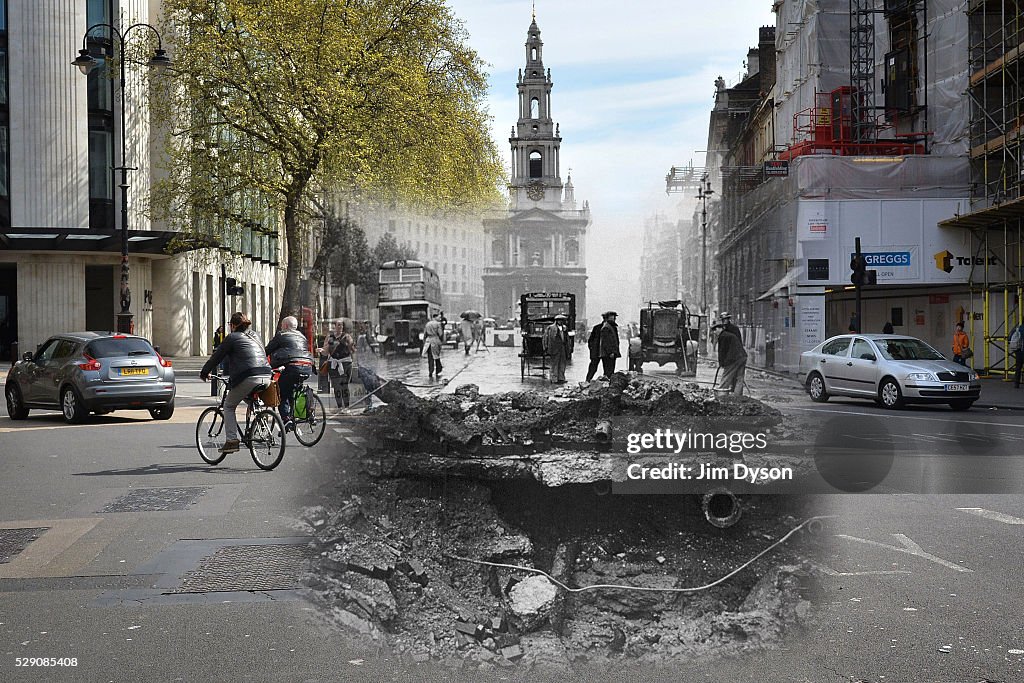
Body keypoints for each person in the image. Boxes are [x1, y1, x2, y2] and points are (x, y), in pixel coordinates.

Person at [200, 312, 272, 454]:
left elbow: (217, 356)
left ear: (232, 325)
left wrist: (204, 372)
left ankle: (232, 440)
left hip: (249, 376)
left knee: (228, 405)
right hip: (267, 375)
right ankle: (260, 418)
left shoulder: (232, 337)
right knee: (248, 397)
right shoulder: (256, 336)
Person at [265, 315, 314, 427]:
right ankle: (306, 413)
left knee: (281, 393)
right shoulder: (302, 337)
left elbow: (267, 350)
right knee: (294, 390)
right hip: (307, 367)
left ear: (286, 326)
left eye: (282, 325)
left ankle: (286, 419)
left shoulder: (281, 335)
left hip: (291, 367)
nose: (281, 328)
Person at [325, 320, 354, 409]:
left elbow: (352, 349)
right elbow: (325, 350)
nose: (340, 327)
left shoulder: (347, 337)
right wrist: (322, 351)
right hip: (333, 364)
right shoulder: (330, 337)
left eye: (341, 325)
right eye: (338, 325)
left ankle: (347, 406)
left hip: (345, 363)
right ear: (335, 326)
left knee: (344, 386)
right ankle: (339, 406)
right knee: (336, 386)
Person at [586, 311, 621, 380]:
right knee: (593, 368)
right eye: (613, 317)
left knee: (608, 370)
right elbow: (591, 340)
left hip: (606, 353)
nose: (614, 319)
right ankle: (587, 381)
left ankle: (605, 384)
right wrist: (592, 349)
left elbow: (615, 341)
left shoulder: (613, 327)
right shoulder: (598, 328)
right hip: (599, 352)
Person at [355, 322, 382, 411]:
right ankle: (368, 405)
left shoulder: (370, 338)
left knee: (369, 386)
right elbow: (359, 352)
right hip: (365, 365)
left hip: (369, 365)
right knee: (367, 386)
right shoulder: (362, 338)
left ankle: (369, 405)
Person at [716, 322, 748, 394]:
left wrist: (722, 363)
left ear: (720, 329)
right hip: (742, 356)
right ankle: (737, 397)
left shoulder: (723, 336)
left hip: (735, 358)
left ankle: (721, 393)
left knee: (726, 375)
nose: (714, 332)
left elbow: (722, 351)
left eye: (715, 330)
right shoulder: (729, 334)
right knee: (740, 378)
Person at [543, 313, 570, 383]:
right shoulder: (550, 328)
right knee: (554, 364)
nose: (561, 322)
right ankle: (554, 379)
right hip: (554, 348)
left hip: (562, 348)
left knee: (562, 363)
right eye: (559, 320)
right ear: (556, 321)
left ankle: (561, 378)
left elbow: (567, 339)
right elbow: (545, 338)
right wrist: (546, 347)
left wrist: (568, 348)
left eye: (562, 320)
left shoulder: (564, 328)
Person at [423, 312, 444, 379]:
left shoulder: (427, 324)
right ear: (435, 317)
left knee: (430, 358)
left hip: (428, 341)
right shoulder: (438, 324)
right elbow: (440, 333)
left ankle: (430, 371)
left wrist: (425, 342)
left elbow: (425, 334)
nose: (440, 319)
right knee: (436, 356)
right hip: (435, 340)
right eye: (439, 317)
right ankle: (438, 369)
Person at [1010, 322, 1023, 389]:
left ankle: (1016, 383)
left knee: (1018, 368)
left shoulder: (1018, 328)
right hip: (1022, 350)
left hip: (1018, 351)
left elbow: (1010, 338)